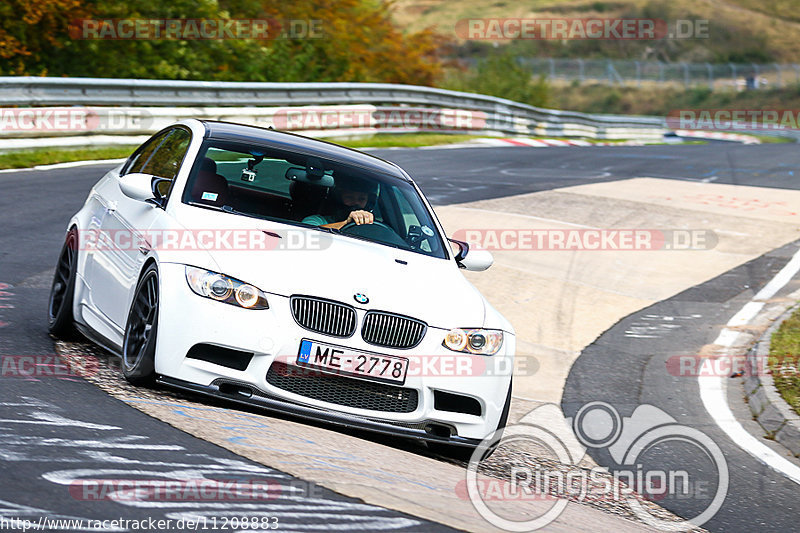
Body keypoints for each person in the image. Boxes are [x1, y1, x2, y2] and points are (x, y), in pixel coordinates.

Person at [302, 176, 378, 230]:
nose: (356, 203)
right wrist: (346, 223)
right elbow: (306, 234)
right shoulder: (316, 220)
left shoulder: (373, 227)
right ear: (337, 198)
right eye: (350, 197)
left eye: (362, 199)